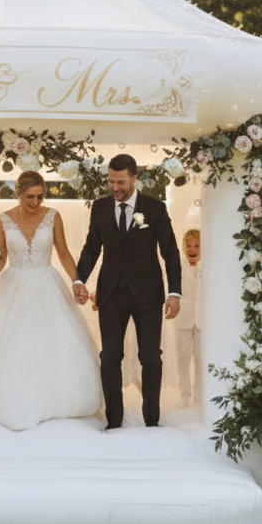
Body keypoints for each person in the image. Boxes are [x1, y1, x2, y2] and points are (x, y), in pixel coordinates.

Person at [0, 171, 102, 431]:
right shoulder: (3, 219)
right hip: (13, 286)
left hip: (47, 283)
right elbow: (1, 259)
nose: (35, 202)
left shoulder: (53, 216)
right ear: (19, 193)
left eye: (40, 196)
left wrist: (78, 282)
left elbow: (64, 253)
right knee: (13, 342)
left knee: (49, 340)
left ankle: (57, 399)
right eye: (29, 197)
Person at [74, 154, 182, 429]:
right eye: (111, 181)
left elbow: (169, 252)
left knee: (150, 357)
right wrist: (79, 280)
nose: (115, 187)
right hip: (111, 293)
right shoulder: (99, 208)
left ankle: (152, 420)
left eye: (121, 181)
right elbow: (91, 247)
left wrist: (175, 292)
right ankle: (113, 421)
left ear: (134, 178)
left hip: (147, 292)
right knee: (109, 357)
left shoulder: (155, 208)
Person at [174, 229, 202, 407]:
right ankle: (185, 393)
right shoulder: (177, 265)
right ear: (183, 248)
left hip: (201, 319)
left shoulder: (208, 266)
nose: (193, 249)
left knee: (200, 357)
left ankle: (199, 394)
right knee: (182, 356)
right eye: (189, 245)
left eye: (197, 245)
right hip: (182, 318)